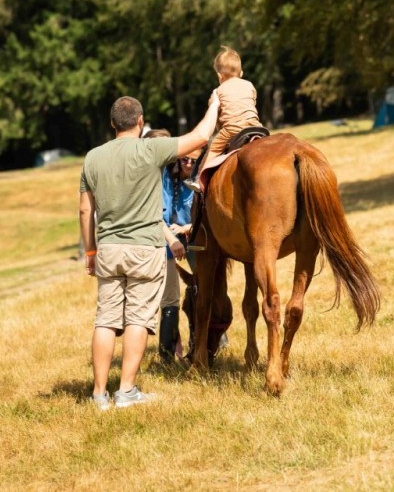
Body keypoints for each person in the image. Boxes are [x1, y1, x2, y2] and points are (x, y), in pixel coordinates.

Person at [79, 93, 219, 410]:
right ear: (140, 123)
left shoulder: (92, 157)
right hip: (144, 249)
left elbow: (86, 211)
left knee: (105, 320)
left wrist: (90, 252)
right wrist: (214, 105)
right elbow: (199, 137)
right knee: (138, 320)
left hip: (108, 249)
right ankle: (126, 391)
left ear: (113, 123)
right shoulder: (150, 148)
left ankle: (99, 394)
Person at [185, 46, 262, 191]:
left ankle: (198, 179)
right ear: (241, 73)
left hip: (232, 130)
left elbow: (216, 120)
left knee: (213, 148)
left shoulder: (218, 91)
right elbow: (252, 104)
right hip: (256, 127)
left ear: (219, 76)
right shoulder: (250, 85)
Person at [159, 145, 202, 363]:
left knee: (205, 289)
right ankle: (167, 356)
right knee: (170, 298)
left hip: (196, 242)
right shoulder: (167, 179)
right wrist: (174, 240)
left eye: (193, 161)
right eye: (184, 160)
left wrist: (186, 229)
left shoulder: (204, 177)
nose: (188, 164)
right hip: (168, 245)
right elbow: (159, 215)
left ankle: (210, 341)